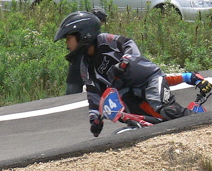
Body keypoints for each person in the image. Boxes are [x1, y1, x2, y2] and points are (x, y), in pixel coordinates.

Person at [54, 11, 212, 137]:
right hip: (127, 93)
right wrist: (95, 117)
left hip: (149, 79)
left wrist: (125, 60)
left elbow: (129, 44)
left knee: (163, 109)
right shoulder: (85, 65)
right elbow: (93, 92)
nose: (67, 44)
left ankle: (205, 124)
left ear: (83, 35)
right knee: (143, 124)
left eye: (68, 38)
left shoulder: (105, 40)